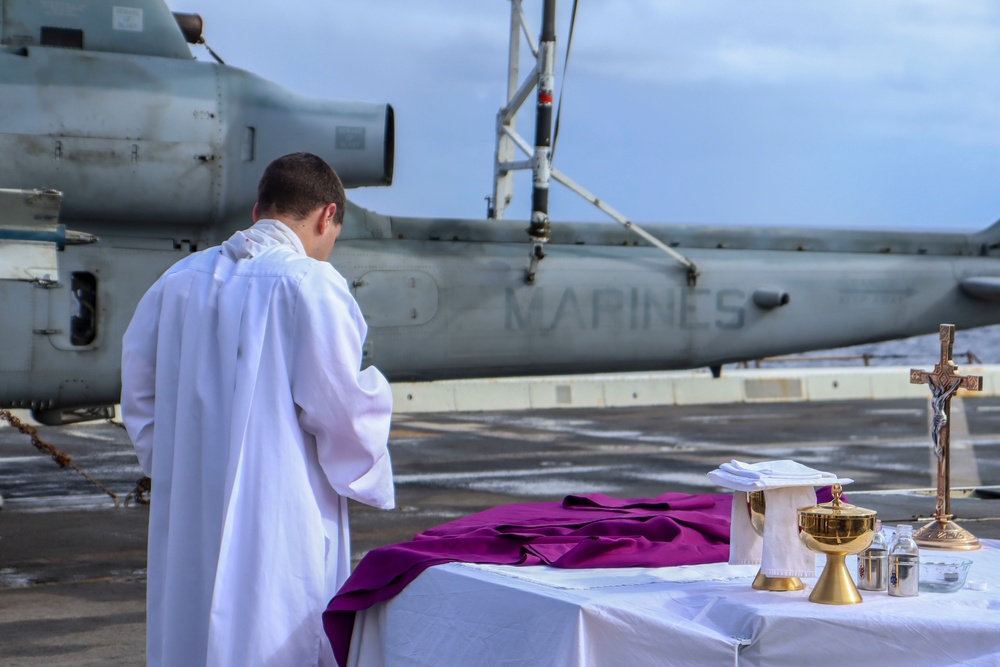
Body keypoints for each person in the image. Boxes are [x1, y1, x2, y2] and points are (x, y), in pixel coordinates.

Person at [121, 152, 394, 666]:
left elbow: (140, 395)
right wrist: (373, 422)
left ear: (257, 212)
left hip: (191, 507)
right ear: (326, 215)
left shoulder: (175, 282)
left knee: (190, 633)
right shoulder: (310, 284)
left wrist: (179, 465)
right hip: (279, 508)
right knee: (275, 630)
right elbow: (340, 407)